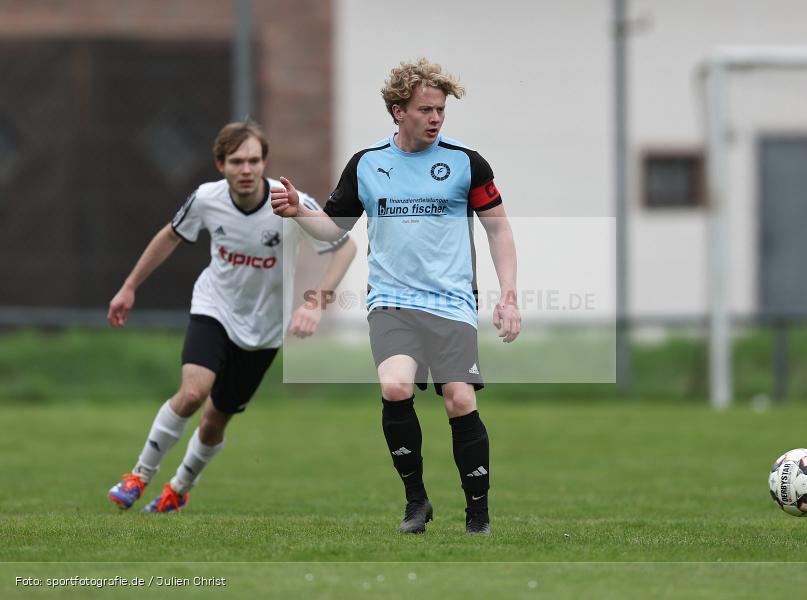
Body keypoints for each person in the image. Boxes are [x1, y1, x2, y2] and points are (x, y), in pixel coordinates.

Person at [271, 58, 520, 534]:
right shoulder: (367, 166)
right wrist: (297, 212)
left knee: (459, 400)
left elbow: (499, 231)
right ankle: (416, 502)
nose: (435, 119)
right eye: (425, 109)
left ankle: (478, 516)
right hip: (391, 302)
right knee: (395, 387)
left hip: (451, 303)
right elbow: (333, 230)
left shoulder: (467, 164)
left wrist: (509, 295)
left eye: (441, 110)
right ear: (396, 110)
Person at [106, 120, 356, 512]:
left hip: (263, 331)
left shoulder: (287, 201)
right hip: (214, 307)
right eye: (237, 161)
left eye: (254, 161)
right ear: (220, 164)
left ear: (264, 163)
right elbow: (171, 234)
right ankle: (138, 475)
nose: (247, 169)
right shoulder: (207, 198)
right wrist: (129, 286)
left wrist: (315, 302)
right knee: (191, 393)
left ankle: (178, 488)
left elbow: (342, 246)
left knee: (213, 422)